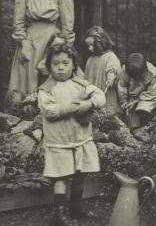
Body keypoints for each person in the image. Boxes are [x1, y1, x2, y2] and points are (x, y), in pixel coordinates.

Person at [38, 43, 105, 225]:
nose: (60, 67)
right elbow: (49, 111)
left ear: (74, 65)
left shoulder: (81, 84)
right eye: (56, 63)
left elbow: (100, 97)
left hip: (80, 139)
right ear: (49, 66)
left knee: (80, 174)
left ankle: (75, 208)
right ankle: (59, 214)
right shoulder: (46, 89)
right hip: (59, 141)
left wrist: (88, 104)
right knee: (61, 176)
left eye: (65, 63)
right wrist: (72, 108)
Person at [8, 0, 75, 109]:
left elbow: (68, 27)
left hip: (52, 40)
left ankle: (47, 111)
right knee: (27, 76)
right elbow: (18, 25)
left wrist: (62, 48)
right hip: (30, 40)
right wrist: (24, 43)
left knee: (49, 73)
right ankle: (26, 111)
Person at [117, 52, 156, 129]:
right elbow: (122, 86)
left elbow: (153, 93)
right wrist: (124, 101)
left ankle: (148, 128)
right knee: (129, 114)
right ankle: (135, 130)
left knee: (143, 111)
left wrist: (138, 100)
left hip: (150, 95)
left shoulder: (153, 74)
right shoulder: (125, 70)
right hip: (132, 93)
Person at [82, 26, 121, 116]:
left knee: (107, 118)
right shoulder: (90, 60)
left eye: (92, 45)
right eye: (88, 46)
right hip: (93, 98)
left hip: (106, 95)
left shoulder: (110, 57)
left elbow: (113, 68)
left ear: (101, 42)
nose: (90, 48)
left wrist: (110, 77)